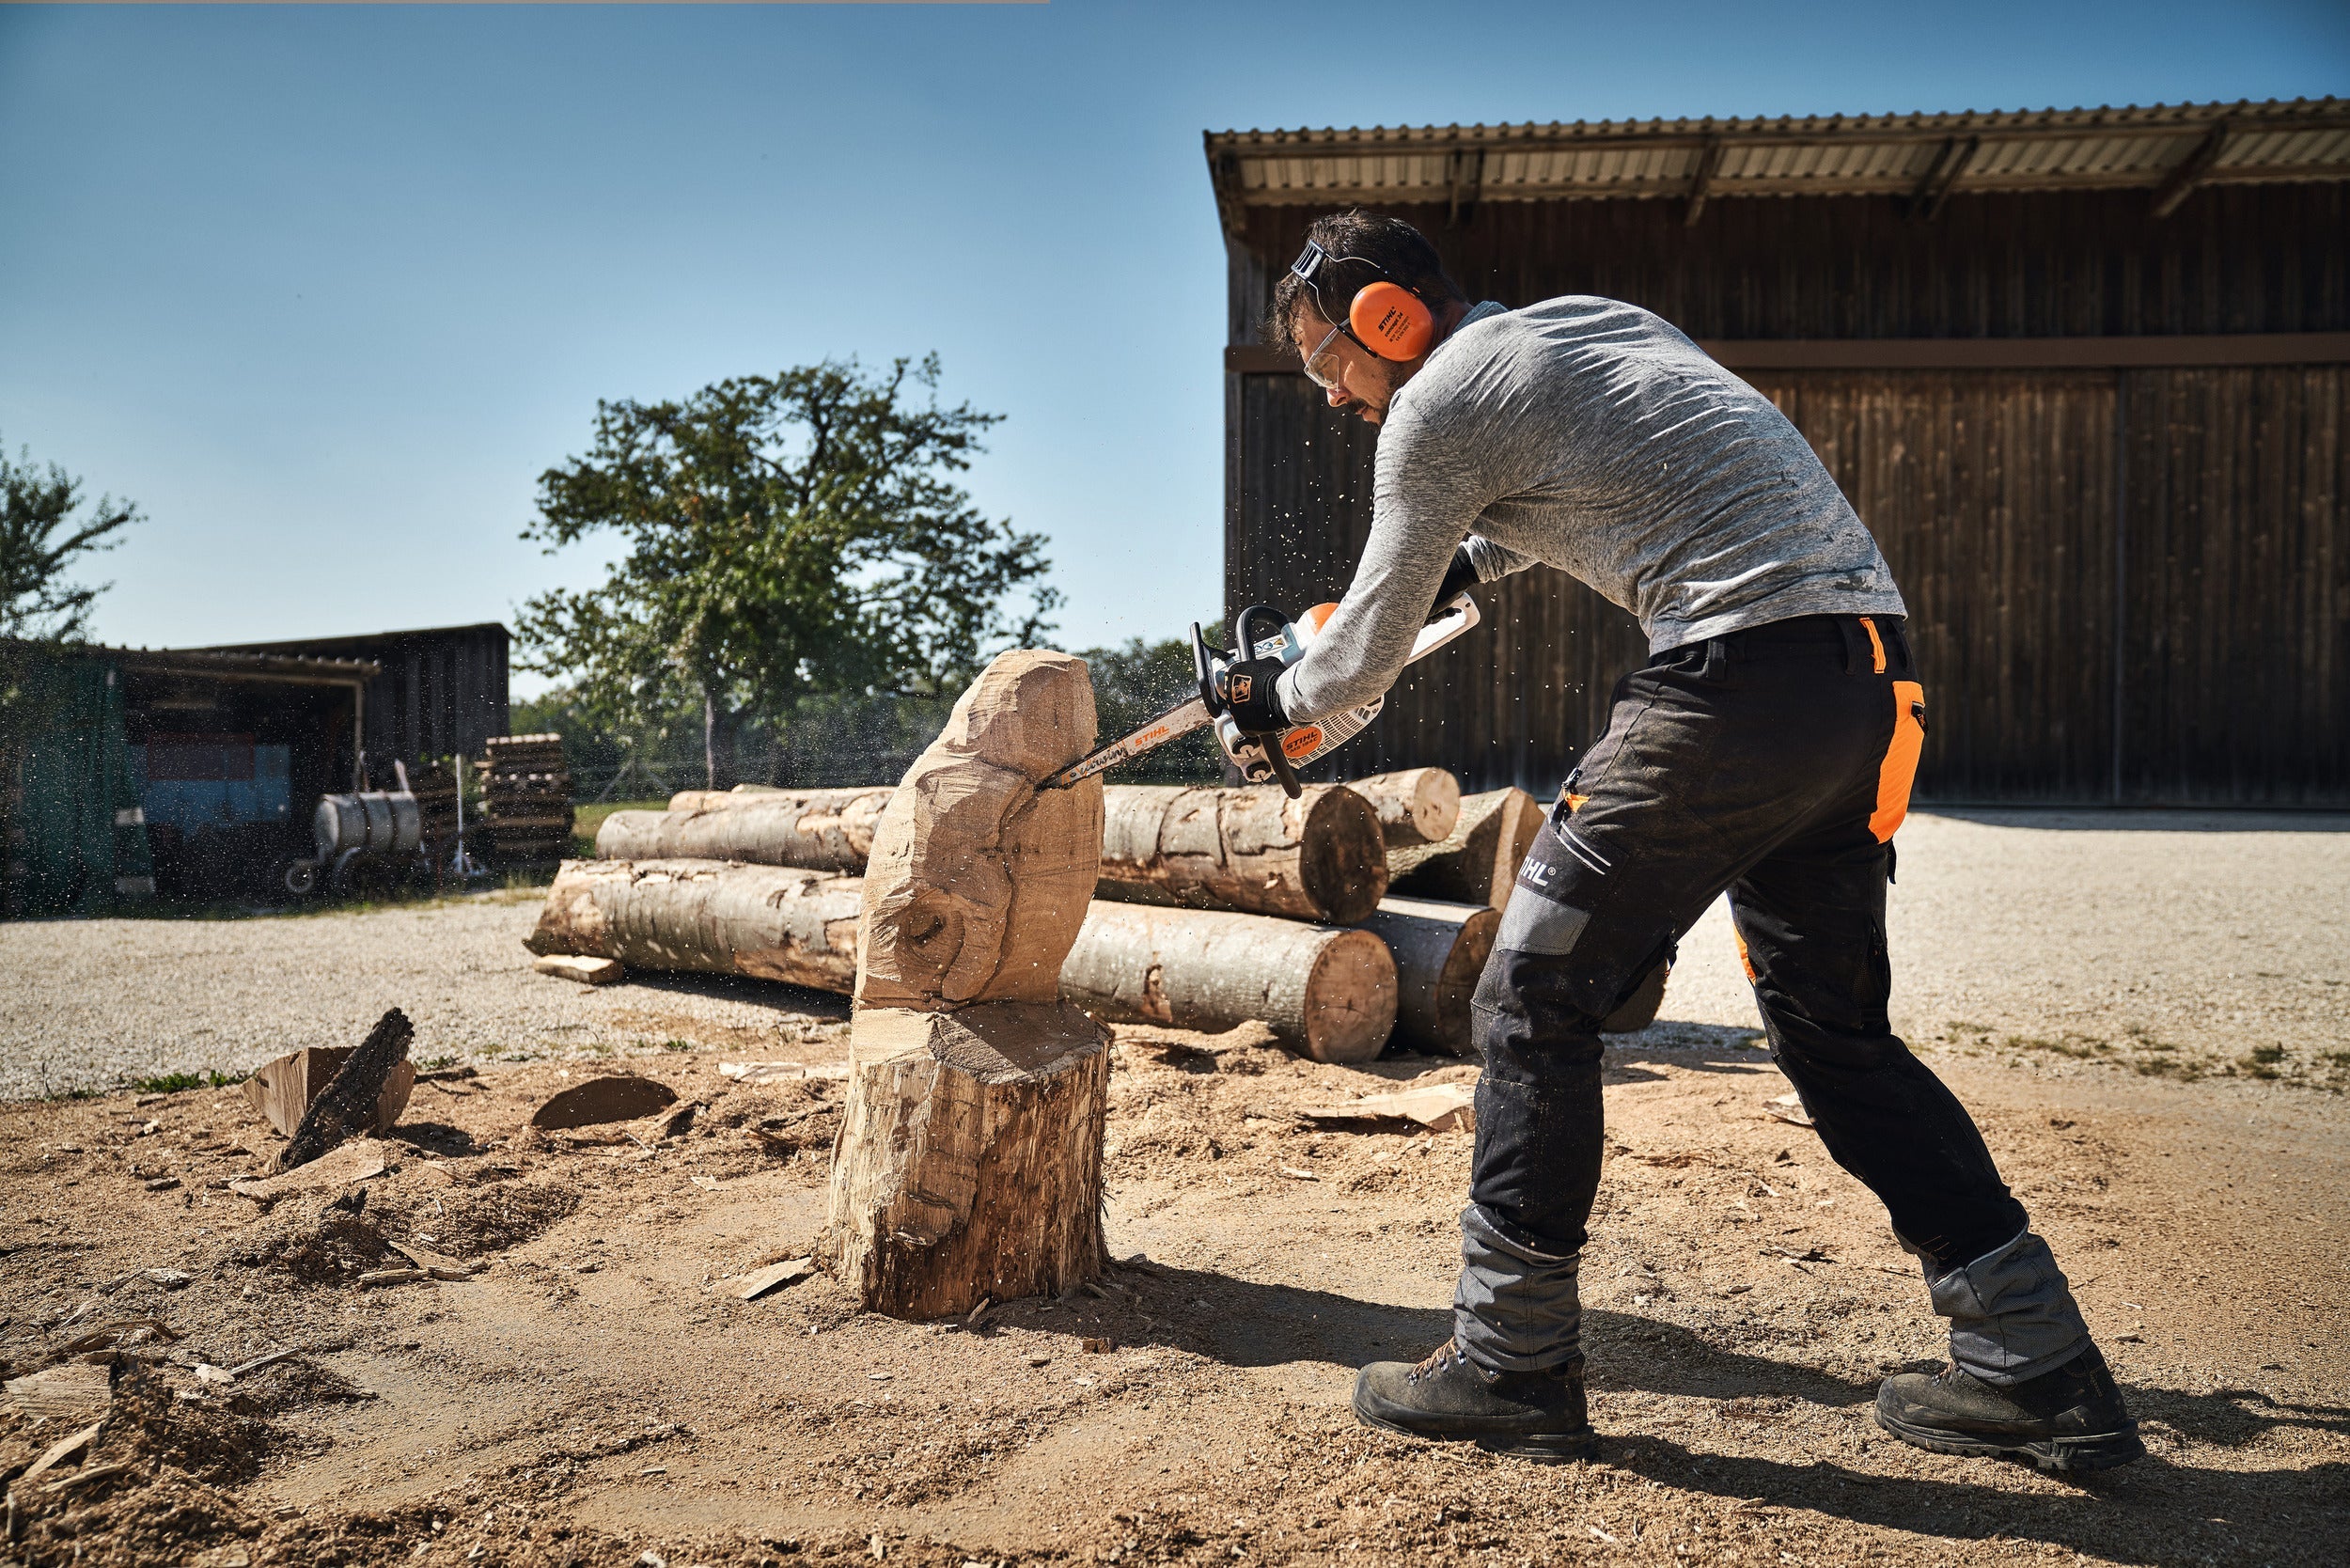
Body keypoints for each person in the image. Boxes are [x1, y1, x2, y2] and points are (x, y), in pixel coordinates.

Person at [1219, 210, 2141, 1473]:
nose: (1337, 396)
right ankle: (2039, 1369)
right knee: (1836, 1036)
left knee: (1533, 987)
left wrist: (1273, 703)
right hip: (1865, 683)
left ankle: (1510, 1361)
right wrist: (1455, 572)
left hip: (1732, 690)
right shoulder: (1593, 325)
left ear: (1390, 319)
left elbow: (1358, 665)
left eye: (1336, 362)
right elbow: (1596, 491)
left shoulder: (1438, 408)